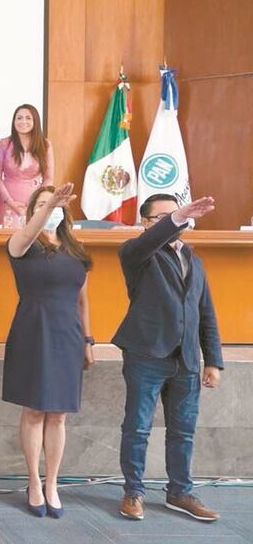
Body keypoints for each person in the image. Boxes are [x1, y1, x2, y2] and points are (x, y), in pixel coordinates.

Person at [114, 194, 223, 522]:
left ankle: (180, 491)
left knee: (183, 430)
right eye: (162, 217)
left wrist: (213, 360)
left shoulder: (195, 259)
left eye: (176, 215)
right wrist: (175, 218)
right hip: (147, 353)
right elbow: (148, 242)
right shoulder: (137, 253)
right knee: (138, 427)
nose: (173, 221)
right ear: (145, 223)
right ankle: (133, 492)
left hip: (186, 360)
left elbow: (206, 313)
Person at [3, 183, 93, 519]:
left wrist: (88, 339)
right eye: (41, 204)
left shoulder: (76, 250)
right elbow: (26, 235)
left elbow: (83, 299)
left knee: (58, 414)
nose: (51, 207)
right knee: (34, 411)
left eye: (55, 203)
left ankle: (52, 482)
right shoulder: (22, 244)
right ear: (32, 211)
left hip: (67, 335)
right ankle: (33, 481)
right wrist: (46, 206)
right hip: (33, 330)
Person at [0, 104, 54, 228]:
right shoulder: (4, 144)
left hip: (34, 203)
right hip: (6, 202)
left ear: (35, 121)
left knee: (34, 241)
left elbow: (49, 178)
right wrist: (11, 202)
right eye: (19, 118)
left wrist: (36, 201)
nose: (23, 122)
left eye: (28, 118)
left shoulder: (45, 145)